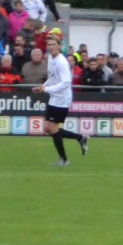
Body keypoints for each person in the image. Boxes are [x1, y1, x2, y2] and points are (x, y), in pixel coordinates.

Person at [34, 31, 89, 167]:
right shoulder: (51, 59)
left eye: (53, 44)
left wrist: (46, 89)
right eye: (49, 44)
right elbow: (52, 77)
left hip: (62, 99)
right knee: (48, 128)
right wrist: (43, 86)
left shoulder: (61, 62)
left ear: (59, 46)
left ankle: (64, 159)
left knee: (52, 128)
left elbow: (66, 82)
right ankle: (80, 138)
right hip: (54, 96)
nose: (51, 47)